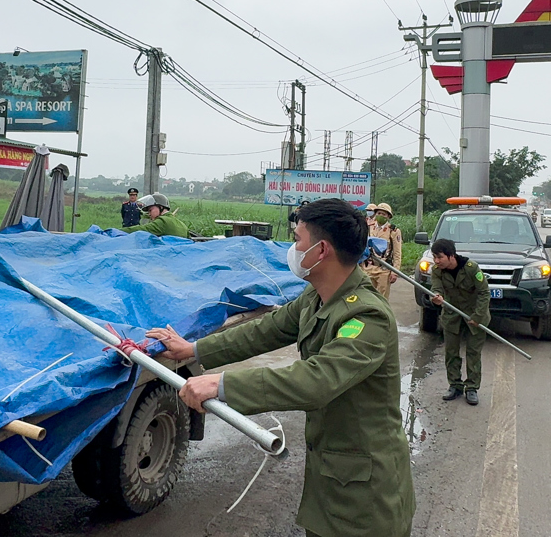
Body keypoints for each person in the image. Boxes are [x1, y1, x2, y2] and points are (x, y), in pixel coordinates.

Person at [146, 198, 414, 537]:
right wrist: (194, 349)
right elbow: (267, 329)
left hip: (366, 493)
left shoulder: (365, 315)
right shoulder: (316, 296)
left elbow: (317, 379)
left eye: (298, 239)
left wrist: (222, 385)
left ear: (321, 251)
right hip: (332, 474)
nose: (292, 248)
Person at [429, 238, 490, 406]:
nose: (436, 261)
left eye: (440, 257)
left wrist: (478, 317)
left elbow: (484, 293)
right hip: (451, 314)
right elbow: (435, 288)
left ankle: (472, 388)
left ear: (451, 255)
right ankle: (455, 385)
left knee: (473, 353)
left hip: (474, 314)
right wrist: (436, 297)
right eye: (434, 257)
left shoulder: (471, 268)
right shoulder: (437, 271)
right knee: (451, 352)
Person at [363, 202, 402, 299]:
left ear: (388, 216)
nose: (380, 216)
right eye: (379, 213)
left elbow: (397, 253)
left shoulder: (393, 231)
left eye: (383, 214)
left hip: (384, 270)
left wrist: (395, 272)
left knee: (381, 299)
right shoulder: (369, 227)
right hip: (368, 267)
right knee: (367, 297)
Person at [121, 193, 189, 238]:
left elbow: (142, 229)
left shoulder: (162, 222)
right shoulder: (182, 225)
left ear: (161, 207)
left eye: (150, 210)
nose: (149, 214)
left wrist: (117, 231)